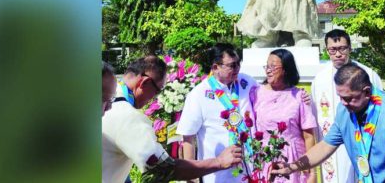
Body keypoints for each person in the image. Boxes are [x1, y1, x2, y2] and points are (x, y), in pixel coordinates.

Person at [272, 64, 385, 183]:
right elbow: (325, 147)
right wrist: (292, 167)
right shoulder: (345, 111)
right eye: (340, 97)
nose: (343, 103)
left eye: (348, 98)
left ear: (366, 92)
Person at [102, 56, 243, 183]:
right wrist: (219, 161)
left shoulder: (110, 98)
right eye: (158, 91)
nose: (155, 98)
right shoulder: (128, 116)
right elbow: (164, 169)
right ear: (144, 83)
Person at [176, 44, 258, 183]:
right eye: (232, 65)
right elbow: (188, 137)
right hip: (218, 175)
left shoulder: (247, 82)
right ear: (215, 67)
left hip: (251, 170)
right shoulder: (199, 94)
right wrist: (190, 176)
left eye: (239, 63)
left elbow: (268, 96)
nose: (237, 68)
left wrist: (298, 94)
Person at [310, 29, 383, 183]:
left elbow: (380, 107)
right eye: (333, 50)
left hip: (363, 139)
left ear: (350, 48)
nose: (338, 54)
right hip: (332, 143)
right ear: (326, 50)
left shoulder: (368, 75)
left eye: (342, 48)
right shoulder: (319, 80)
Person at [250, 49, 318, 183]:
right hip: (264, 160)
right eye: (267, 66)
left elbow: (308, 136)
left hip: (294, 160)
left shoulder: (299, 96)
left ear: (285, 69)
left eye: (273, 66)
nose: (268, 70)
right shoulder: (255, 94)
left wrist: (312, 172)